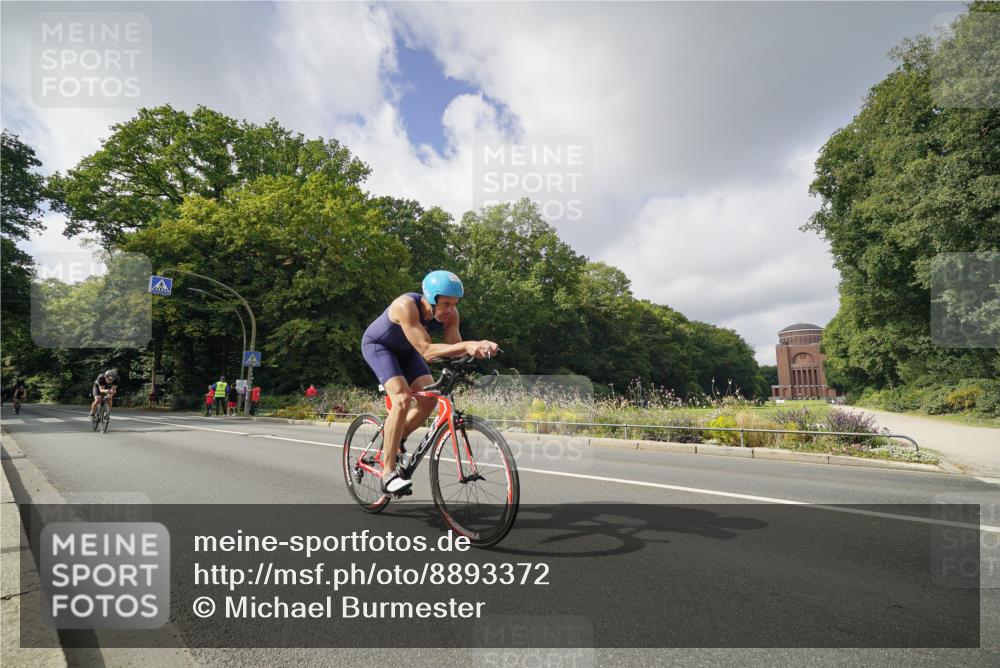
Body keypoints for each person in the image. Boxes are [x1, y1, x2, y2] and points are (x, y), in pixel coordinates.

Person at [361, 270, 498, 496]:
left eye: (454, 304)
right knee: (402, 399)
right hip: (380, 347)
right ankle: (388, 474)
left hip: (407, 351)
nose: (450, 310)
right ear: (430, 299)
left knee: (429, 401)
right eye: (445, 303)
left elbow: (455, 349)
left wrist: (480, 349)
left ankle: (395, 441)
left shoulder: (451, 315)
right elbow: (426, 350)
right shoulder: (406, 306)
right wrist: (468, 345)